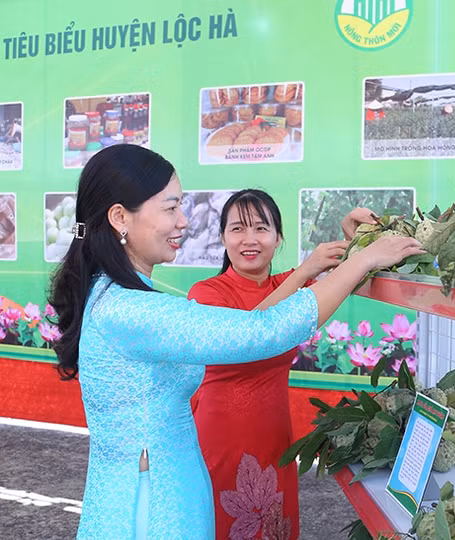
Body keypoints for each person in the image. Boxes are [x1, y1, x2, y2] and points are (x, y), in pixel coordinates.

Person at [47, 144, 422, 539]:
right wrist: (361, 261)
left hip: (162, 490)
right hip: (152, 508)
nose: (184, 222)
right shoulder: (127, 310)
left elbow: (270, 316)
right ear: (121, 217)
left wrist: (357, 248)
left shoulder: (116, 295)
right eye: (170, 208)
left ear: (278, 237)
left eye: (182, 207)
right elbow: (262, 330)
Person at [188, 189, 373, 539]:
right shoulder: (207, 292)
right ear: (223, 237)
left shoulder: (291, 283)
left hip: (276, 439)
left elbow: (356, 275)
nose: (249, 239)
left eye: (261, 228)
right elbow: (245, 335)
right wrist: (306, 270)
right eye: (237, 229)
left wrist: (354, 237)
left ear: (278, 237)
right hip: (221, 440)